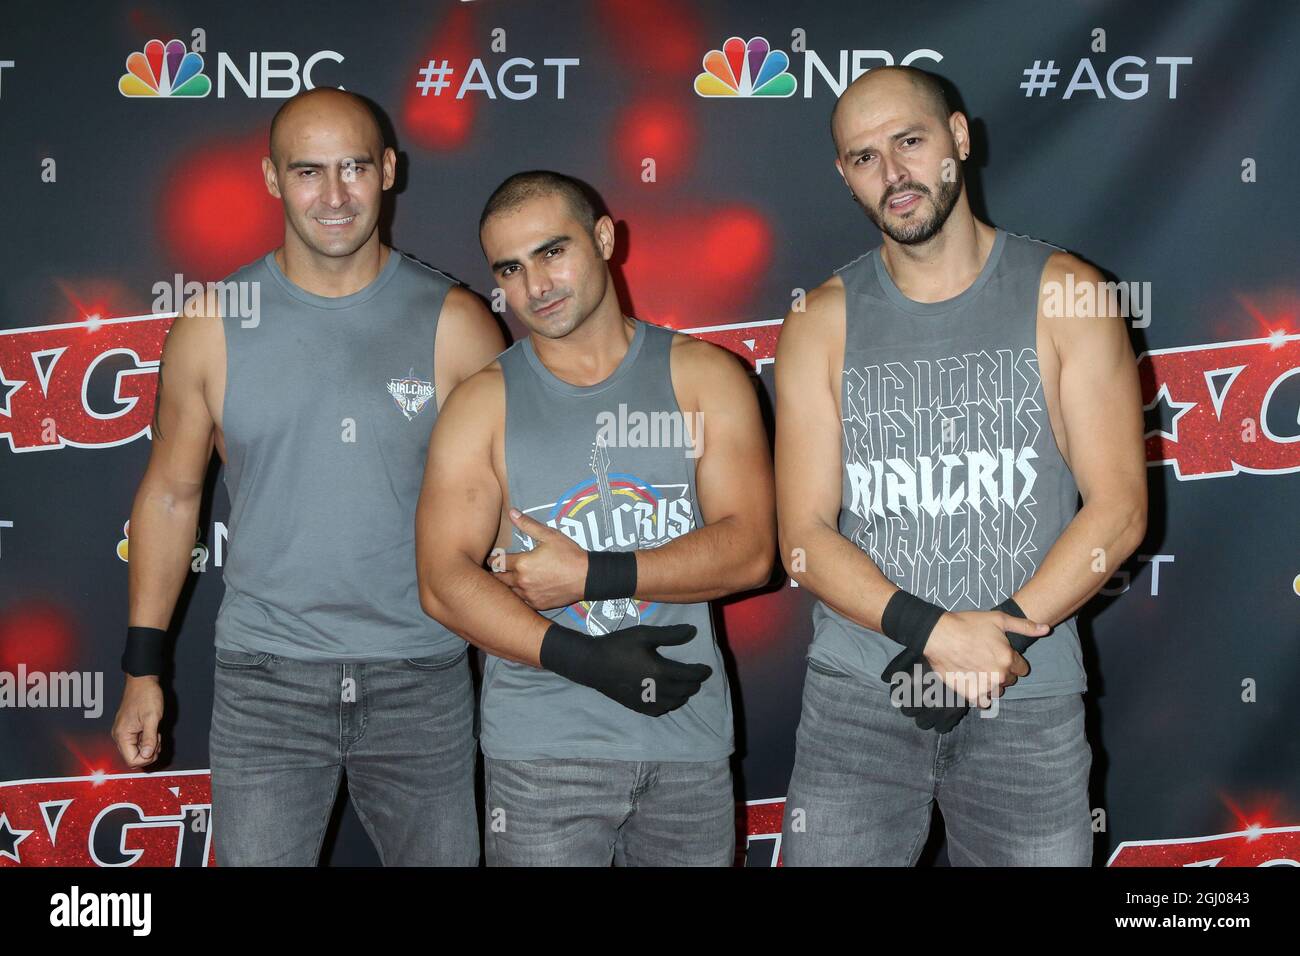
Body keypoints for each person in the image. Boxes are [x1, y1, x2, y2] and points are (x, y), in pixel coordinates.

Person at [110, 88, 504, 866]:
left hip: (423, 672)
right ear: (270, 179)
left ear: (388, 170)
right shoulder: (213, 325)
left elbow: (511, 506)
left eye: (354, 167)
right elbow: (171, 495)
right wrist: (142, 668)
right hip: (267, 681)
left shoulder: (456, 323)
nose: (333, 196)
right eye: (308, 172)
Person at [776, 66, 1147, 865]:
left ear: (959, 138)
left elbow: (1118, 509)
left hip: (1028, 687)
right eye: (865, 158)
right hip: (858, 698)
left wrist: (994, 641)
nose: (894, 174)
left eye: (908, 141)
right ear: (845, 177)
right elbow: (801, 534)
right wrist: (934, 635)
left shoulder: (1068, 295)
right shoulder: (818, 322)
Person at [416, 171, 775, 866]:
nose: (537, 286)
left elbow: (753, 550)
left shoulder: (704, 377)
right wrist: (581, 658)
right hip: (542, 757)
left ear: (604, 238)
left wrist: (592, 575)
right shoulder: (482, 404)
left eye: (553, 252)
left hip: (687, 740)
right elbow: (441, 580)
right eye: (512, 269)